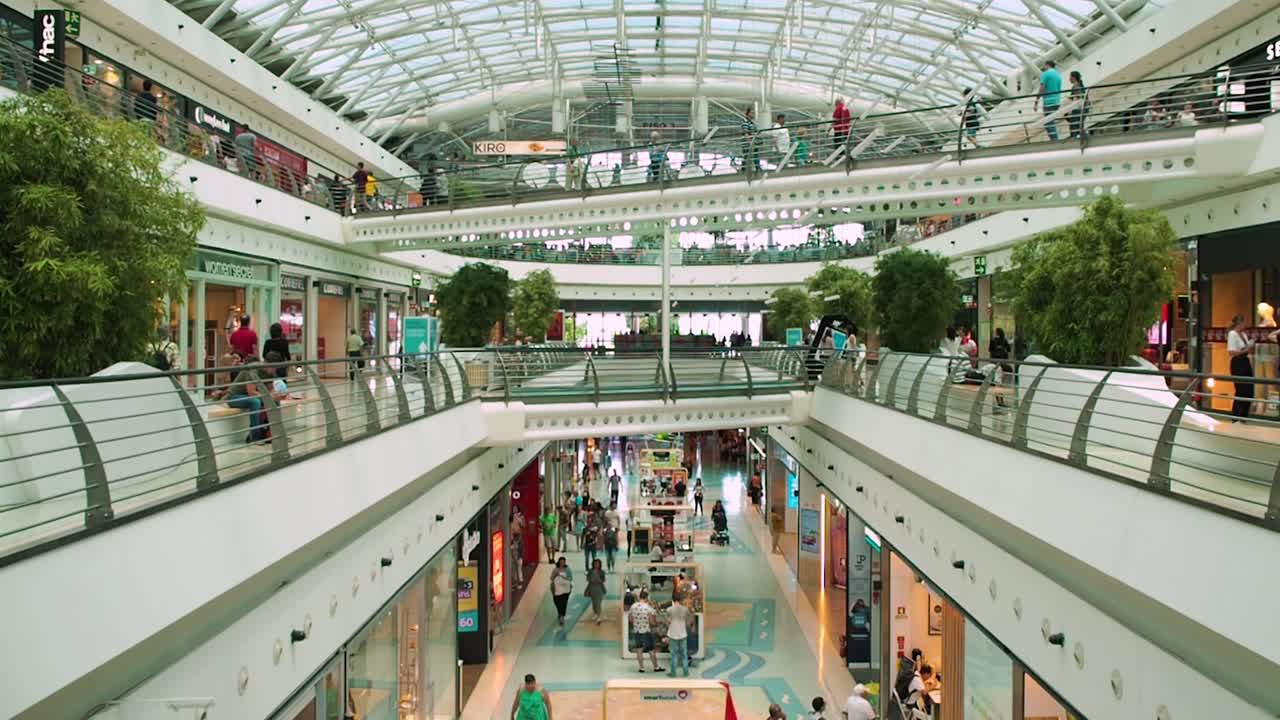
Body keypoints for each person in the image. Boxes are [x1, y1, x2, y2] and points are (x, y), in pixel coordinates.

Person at [226, 360, 270, 444]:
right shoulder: (253, 369)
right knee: (255, 402)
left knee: (273, 400)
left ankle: (271, 433)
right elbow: (251, 392)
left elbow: (271, 389)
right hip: (234, 397)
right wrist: (268, 396)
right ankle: (254, 436)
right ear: (267, 364)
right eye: (273, 369)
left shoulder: (270, 371)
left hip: (248, 397)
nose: (274, 371)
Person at [1228, 313, 1256, 420]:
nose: (1245, 325)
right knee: (1241, 390)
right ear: (1239, 323)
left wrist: (1250, 346)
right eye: (1244, 322)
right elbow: (1231, 352)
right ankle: (1236, 417)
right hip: (1237, 363)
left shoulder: (1244, 335)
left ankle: (1245, 416)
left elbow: (1247, 348)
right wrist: (1245, 350)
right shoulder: (1232, 334)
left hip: (1245, 361)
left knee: (1249, 390)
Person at [628, 589, 662, 672]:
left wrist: (637, 623)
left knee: (639, 649)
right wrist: (656, 624)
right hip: (646, 631)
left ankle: (641, 668)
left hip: (636, 631)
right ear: (646, 598)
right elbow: (651, 622)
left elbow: (630, 619)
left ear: (639, 597)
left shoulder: (633, 606)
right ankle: (656, 667)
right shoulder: (648, 608)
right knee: (651, 649)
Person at [1034, 60, 1063, 141]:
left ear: (1047, 65)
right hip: (1057, 101)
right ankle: (1055, 139)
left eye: (1045, 66)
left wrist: (1036, 100)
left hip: (1048, 102)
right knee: (1051, 121)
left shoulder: (1046, 74)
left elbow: (1042, 87)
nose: (1044, 67)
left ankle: (1055, 140)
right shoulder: (1058, 75)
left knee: (1048, 122)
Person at [665, 591, 691, 677]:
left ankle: (673, 673)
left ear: (672, 599)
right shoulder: (685, 609)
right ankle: (686, 672)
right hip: (683, 633)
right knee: (684, 655)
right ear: (680, 599)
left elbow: (668, 622)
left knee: (674, 655)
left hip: (672, 634)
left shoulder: (669, 610)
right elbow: (688, 622)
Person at [550, 557, 573, 627]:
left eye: (563, 562)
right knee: (556, 601)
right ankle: (560, 612)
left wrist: (562, 577)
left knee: (564, 602)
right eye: (561, 561)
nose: (562, 563)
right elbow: (551, 578)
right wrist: (555, 575)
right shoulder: (555, 569)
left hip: (565, 589)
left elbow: (570, 578)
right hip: (556, 588)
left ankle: (562, 616)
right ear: (559, 562)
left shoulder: (568, 570)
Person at [584, 557, 608, 624]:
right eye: (595, 564)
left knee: (598, 602)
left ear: (600, 565)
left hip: (599, 588)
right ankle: (595, 613)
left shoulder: (602, 572)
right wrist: (591, 580)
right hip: (591, 587)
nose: (596, 565)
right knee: (594, 602)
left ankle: (598, 616)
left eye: (598, 564)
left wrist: (599, 580)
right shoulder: (590, 571)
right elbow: (587, 578)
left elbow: (603, 580)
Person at [1067, 71, 1088, 139]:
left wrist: (1070, 110)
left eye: (1070, 77)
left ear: (1073, 78)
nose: (1069, 79)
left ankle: (1075, 142)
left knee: (1074, 128)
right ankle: (1085, 138)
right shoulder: (1079, 85)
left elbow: (1077, 97)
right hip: (1083, 109)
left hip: (1078, 109)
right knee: (1079, 127)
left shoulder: (1075, 86)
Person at [740, 107, 758, 174]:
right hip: (747, 144)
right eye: (751, 112)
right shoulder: (745, 122)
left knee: (751, 156)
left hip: (752, 143)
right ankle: (744, 170)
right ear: (748, 114)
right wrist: (750, 142)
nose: (753, 114)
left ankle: (756, 168)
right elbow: (746, 133)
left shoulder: (752, 122)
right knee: (746, 156)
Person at [511, 509, 526, 587]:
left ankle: (519, 581)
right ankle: (515, 581)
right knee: (513, 566)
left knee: (518, 565)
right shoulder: (510, 528)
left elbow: (523, 526)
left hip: (517, 552)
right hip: (513, 550)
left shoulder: (519, 538)